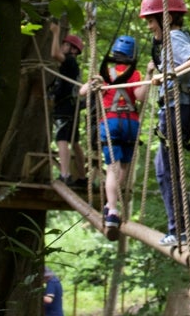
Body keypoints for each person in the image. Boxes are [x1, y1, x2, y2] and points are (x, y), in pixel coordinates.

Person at [140, 0, 190, 246]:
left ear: (165, 19)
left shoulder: (174, 38)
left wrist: (167, 75)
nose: (149, 27)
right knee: (164, 168)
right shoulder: (174, 39)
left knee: (166, 170)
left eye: (151, 21)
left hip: (179, 109)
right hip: (181, 107)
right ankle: (184, 218)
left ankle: (179, 229)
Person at [79, 35, 146, 241]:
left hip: (111, 123)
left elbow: (82, 92)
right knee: (123, 166)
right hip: (131, 124)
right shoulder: (135, 74)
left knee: (113, 168)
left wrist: (95, 83)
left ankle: (113, 209)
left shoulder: (105, 73)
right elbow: (141, 96)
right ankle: (111, 204)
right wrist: (149, 77)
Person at [49, 21, 86, 186]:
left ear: (73, 50)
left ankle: (65, 174)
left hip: (65, 107)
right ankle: (82, 177)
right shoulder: (71, 66)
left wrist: (56, 33)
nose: (62, 46)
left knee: (62, 138)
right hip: (72, 107)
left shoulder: (70, 61)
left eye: (65, 45)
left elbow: (55, 54)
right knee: (75, 141)